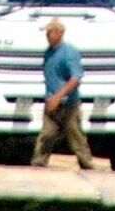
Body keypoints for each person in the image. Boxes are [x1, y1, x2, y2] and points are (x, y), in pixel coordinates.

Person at [34, 18, 92, 167]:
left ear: (59, 33)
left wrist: (58, 97)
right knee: (46, 136)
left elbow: (76, 78)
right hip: (51, 102)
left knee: (75, 135)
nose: (47, 35)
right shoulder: (48, 53)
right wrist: (50, 98)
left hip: (68, 104)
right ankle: (38, 163)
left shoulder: (69, 52)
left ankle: (87, 164)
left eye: (50, 32)